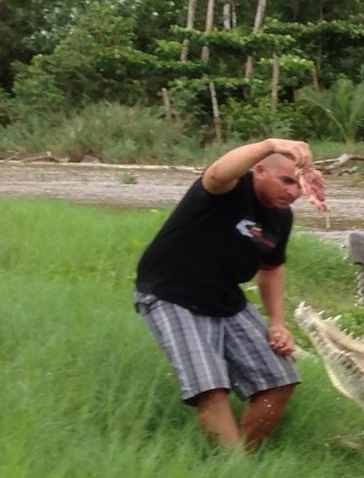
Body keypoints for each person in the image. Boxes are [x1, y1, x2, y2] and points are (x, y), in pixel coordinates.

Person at [133, 136, 320, 451]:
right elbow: (218, 172)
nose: (293, 191)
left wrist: (277, 322)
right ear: (258, 170)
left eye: (299, 183)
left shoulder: (281, 216)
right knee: (211, 388)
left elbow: (271, 268)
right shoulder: (227, 190)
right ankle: (235, 475)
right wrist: (270, 144)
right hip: (171, 291)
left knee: (280, 380)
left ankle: (237, 462)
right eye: (286, 180)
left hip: (224, 296)